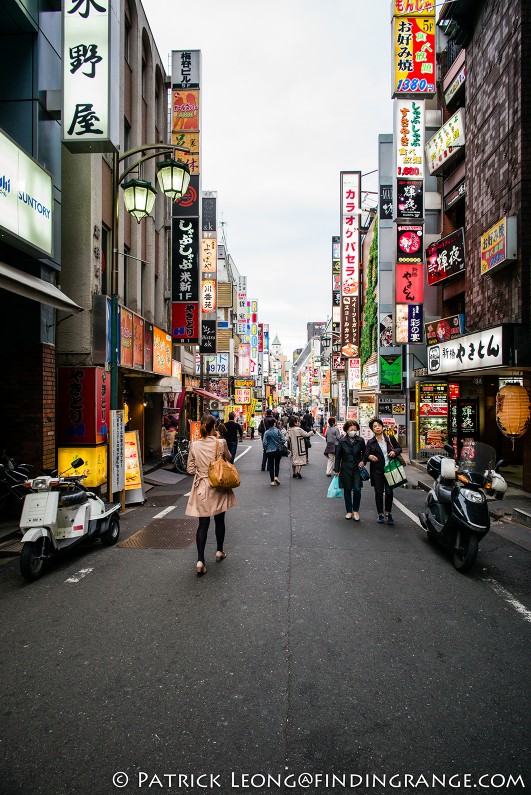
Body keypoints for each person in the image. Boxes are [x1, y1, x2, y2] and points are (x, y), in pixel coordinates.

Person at [185, 415, 237, 576]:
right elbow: (229, 459)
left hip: (202, 486)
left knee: (203, 523)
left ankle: (200, 560)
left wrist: (201, 472)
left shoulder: (195, 445)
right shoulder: (220, 443)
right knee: (219, 520)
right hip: (218, 485)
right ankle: (219, 551)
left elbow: (190, 469)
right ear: (214, 427)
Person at [363, 417, 402, 526]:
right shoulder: (370, 442)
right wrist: (370, 456)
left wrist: (394, 452)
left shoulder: (389, 438)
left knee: (389, 492)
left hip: (390, 469)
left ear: (382, 427)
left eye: (379, 425)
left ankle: (388, 513)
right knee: (379, 493)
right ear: (372, 429)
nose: (377, 428)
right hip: (377, 471)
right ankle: (380, 514)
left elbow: (399, 448)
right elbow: (365, 455)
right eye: (375, 426)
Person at [334, 420, 366, 521]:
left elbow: (365, 454)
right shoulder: (342, 441)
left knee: (357, 490)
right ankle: (349, 511)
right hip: (345, 468)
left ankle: (355, 511)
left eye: (355, 429)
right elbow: (338, 456)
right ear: (347, 430)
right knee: (347, 490)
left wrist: (363, 461)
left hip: (357, 468)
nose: (353, 431)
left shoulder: (360, 440)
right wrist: (337, 469)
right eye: (351, 429)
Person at [263, 421, 286, 485]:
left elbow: (264, 443)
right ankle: (276, 476)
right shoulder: (278, 431)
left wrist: (266, 447)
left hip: (269, 451)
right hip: (278, 450)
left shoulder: (266, 432)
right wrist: (280, 444)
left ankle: (272, 481)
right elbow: (284, 440)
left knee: (271, 465)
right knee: (277, 464)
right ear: (274, 424)